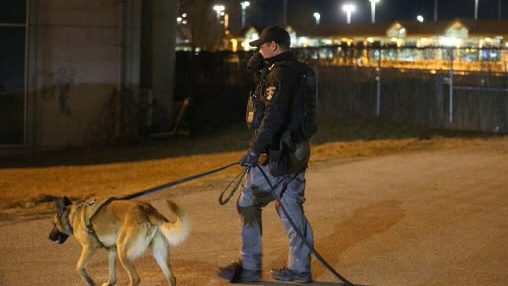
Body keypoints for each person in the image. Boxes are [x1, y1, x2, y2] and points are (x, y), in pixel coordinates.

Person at [218, 25, 315, 284]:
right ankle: (299, 269)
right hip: (298, 148)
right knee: (291, 204)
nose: (259, 50)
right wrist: (260, 69)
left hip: (278, 152)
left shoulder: (279, 75)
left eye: (262, 46)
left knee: (248, 201)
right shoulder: (299, 71)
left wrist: (254, 150)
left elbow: (273, 116)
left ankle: (249, 268)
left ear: (273, 45)